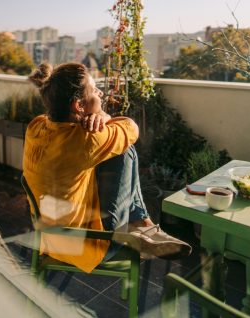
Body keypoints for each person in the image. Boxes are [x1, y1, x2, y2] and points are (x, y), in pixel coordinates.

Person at [23, 62, 191, 273]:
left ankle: (142, 225)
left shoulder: (36, 127)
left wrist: (97, 114)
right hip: (87, 245)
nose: (100, 94)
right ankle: (141, 224)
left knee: (111, 151)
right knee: (124, 150)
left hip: (50, 239)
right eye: (94, 90)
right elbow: (131, 128)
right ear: (78, 106)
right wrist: (104, 117)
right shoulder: (86, 140)